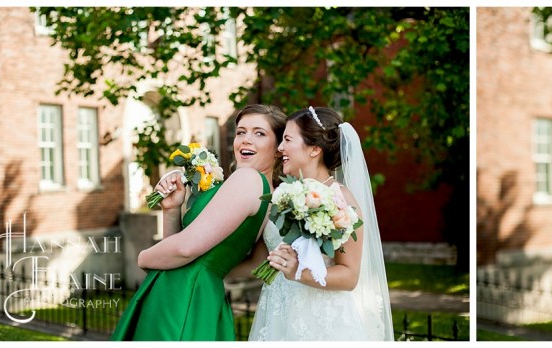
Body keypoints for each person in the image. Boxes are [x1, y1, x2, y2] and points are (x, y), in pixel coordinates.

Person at [112, 105, 286, 340]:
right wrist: (172, 210)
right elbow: (256, 265)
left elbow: (186, 248)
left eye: (259, 133)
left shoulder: (247, 179)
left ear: (278, 149)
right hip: (199, 292)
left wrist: (144, 257)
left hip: (183, 293)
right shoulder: (273, 197)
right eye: (241, 132)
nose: (245, 140)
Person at [249, 106, 393, 341]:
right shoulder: (284, 192)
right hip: (276, 309)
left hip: (320, 320)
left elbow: (349, 276)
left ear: (314, 149)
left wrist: (299, 272)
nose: (280, 148)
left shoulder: (341, 199)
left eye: (287, 139)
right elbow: (261, 254)